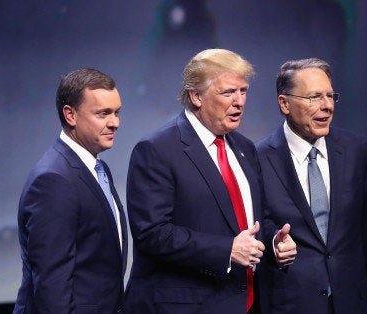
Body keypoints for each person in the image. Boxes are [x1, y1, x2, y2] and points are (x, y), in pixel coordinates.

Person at [124, 48, 296, 314]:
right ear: (196, 96)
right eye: (228, 92)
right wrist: (227, 250)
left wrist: (274, 241)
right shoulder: (157, 150)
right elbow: (152, 233)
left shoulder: (245, 148)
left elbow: (254, 219)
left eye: (243, 90)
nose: (239, 101)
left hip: (246, 304)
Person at [256, 58, 367, 314]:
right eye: (314, 97)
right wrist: (275, 240)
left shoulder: (359, 150)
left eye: (331, 96)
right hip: (293, 305)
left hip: (354, 304)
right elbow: (257, 225)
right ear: (284, 103)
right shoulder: (258, 159)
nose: (327, 106)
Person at [13, 68, 127, 313]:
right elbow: (52, 284)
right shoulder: (53, 180)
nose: (114, 123)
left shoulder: (97, 168)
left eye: (117, 113)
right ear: (70, 115)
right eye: (103, 113)